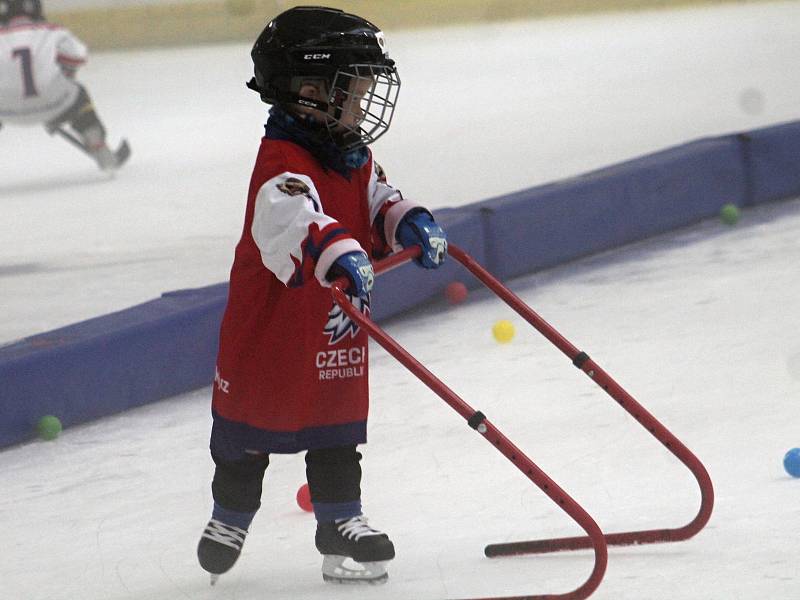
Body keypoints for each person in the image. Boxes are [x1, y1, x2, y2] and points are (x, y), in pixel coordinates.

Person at [196, 5, 447, 586]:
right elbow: (289, 219)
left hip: (331, 326)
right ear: (310, 92)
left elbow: (376, 196)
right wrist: (341, 251)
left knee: (337, 431)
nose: (365, 105)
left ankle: (340, 520)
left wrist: (407, 220)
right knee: (245, 435)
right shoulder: (282, 162)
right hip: (272, 328)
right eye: (355, 91)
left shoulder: (351, 153)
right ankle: (230, 514)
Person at [0, 0, 128, 170]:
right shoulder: (53, 31)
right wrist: (60, 78)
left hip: (5, 110)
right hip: (57, 103)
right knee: (79, 94)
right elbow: (77, 57)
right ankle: (98, 146)